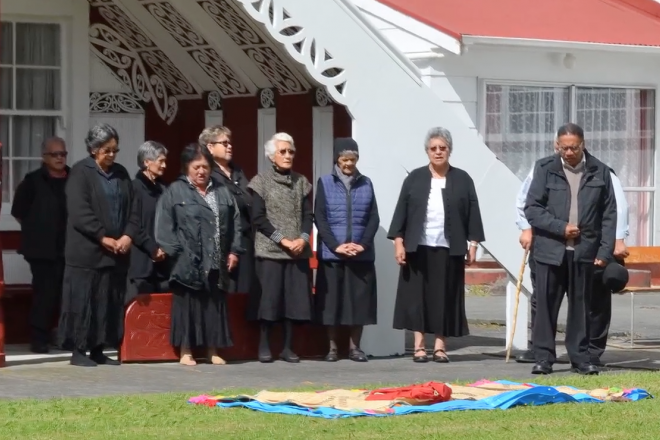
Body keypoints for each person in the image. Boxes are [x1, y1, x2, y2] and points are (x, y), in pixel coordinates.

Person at [515, 141, 630, 366]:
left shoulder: (601, 171)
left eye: (574, 147)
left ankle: (582, 357)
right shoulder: (543, 168)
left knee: (582, 307)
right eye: (564, 147)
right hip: (550, 249)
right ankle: (543, 358)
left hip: (584, 251)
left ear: (582, 145)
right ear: (557, 145)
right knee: (546, 305)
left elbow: (612, 212)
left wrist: (610, 246)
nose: (568, 152)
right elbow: (528, 206)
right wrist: (534, 228)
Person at [388, 127, 485, 363]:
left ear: (449, 150)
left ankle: (440, 346)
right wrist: (398, 243)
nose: (438, 152)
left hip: (448, 249)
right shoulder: (415, 178)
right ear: (427, 151)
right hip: (417, 247)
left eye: (443, 148)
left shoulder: (462, 179)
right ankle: (419, 346)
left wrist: (473, 245)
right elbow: (401, 211)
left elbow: (473, 214)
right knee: (416, 298)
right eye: (434, 148)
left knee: (444, 298)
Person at [58, 123, 140, 367]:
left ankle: (99, 349)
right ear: (93, 150)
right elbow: (79, 211)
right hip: (87, 253)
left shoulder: (122, 173)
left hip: (116, 254)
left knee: (107, 300)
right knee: (84, 301)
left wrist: (127, 235)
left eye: (115, 150)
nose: (112, 155)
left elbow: (134, 209)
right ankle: (78, 350)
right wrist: (102, 236)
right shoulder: (80, 173)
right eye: (107, 150)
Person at [155, 144, 243, 366]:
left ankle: (212, 350)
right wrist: (177, 253)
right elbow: (164, 227)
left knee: (213, 305)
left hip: (216, 260)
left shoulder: (222, 192)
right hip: (187, 261)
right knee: (187, 308)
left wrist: (233, 250)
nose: (201, 171)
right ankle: (186, 351)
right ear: (187, 168)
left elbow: (235, 224)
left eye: (205, 166)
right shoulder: (175, 191)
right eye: (196, 167)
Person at [248, 132, 313, 364]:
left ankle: (288, 347)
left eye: (291, 151)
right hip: (270, 252)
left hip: (297, 252)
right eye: (282, 152)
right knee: (270, 300)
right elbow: (258, 218)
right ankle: (264, 345)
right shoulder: (260, 181)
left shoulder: (302, 182)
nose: (287, 156)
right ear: (271, 156)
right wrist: (283, 240)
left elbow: (308, 215)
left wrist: (303, 239)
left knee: (293, 301)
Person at [314, 137, 380, 362]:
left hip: (360, 255)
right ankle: (332, 348)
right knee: (331, 303)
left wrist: (362, 244)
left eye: (353, 159)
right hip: (333, 254)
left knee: (358, 303)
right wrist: (336, 246)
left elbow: (373, 218)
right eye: (344, 159)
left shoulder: (367, 183)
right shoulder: (324, 183)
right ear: (337, 159)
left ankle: (355, 348)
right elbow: (320, 218)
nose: (349, 164)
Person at [11, 137, 69, 354]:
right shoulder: (32, 181)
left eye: (63, 154)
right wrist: (38, 228)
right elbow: (19, 212)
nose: (60, 158)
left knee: (67, 295)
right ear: (44, 157)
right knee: (45, 294)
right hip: (42, 250)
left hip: (69, 249)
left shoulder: (73, 178)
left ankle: (65, 337)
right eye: (55, 154)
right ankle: (39, 339)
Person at [201, 125, 254, 294]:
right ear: (210, 146)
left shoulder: (237, 171)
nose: (229, 146)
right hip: (225, 242)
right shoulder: (207, 173)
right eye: (224, 143)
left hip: (246, 240)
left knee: (246, 293)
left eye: (230, 143)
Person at [127, 141, 169, 303]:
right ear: (146, 162)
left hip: (163, 266)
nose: (165, 165)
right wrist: (152, 248)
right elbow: (133, 223)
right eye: (161, 161)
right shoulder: (134, 188)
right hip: (141, 264)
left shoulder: (164, 189)